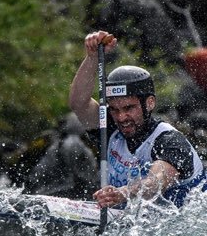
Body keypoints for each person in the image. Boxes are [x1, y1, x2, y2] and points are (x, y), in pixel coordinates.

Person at [69, 30, 205, 208]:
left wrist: (122, 193)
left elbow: (156, 181)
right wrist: (92, 57)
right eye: (115, 109)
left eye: (129, 108)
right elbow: (79, 103)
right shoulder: (111, 129)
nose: (121, 117)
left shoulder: (169, 141)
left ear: (149, 103)